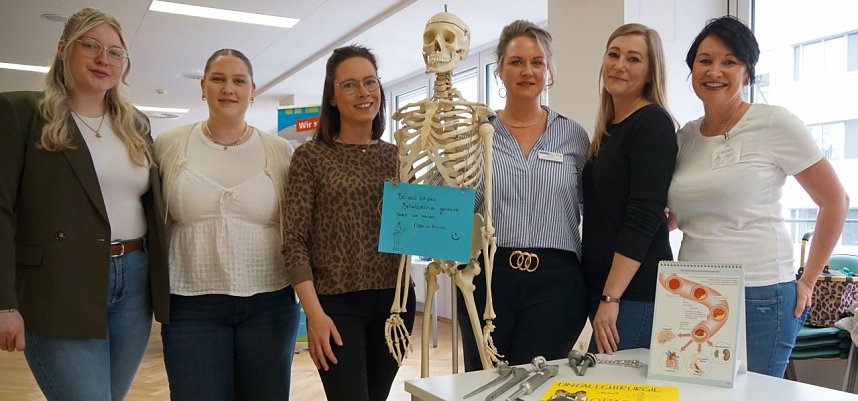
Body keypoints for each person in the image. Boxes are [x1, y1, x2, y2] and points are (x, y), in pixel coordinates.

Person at [0, 7, 169, 401]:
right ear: (63, 50)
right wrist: (4, 303)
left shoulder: (136, 124)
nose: (102, 59)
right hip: (59, 283)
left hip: (134, 282)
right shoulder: (22, 112)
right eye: (89, 46)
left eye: (114, 52)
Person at [668, 16, 849, 377]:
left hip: (760, 291)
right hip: (692, 292)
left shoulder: (773, 123)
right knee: (694, 393)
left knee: (758, 395)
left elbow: (835, 201)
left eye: (729, 61)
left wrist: (809, 280)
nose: (714, 71)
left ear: (747, 73)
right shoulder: (684, 137)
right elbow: (679, 214)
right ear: (691, 72)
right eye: (704, 61)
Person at [154, 49, 299, 401]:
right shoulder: (169, 144)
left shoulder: (280, 151)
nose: (228, 89)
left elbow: (297, 227)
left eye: (238, 81)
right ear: (203, 87)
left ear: (253, 89)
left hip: (270, 302)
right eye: (218, 79)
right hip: (190, 304)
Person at [282, 44, 415, 401]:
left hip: (395, 305)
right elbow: (293, 241)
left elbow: (415, 227)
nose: (363, 93)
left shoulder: (398, 158)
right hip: (335, 307)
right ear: (332, 96)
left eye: (370, 82)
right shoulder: (310, 157)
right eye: (350, 85)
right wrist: (313, 314)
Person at [457, 20, 591, 371]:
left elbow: (594, 206)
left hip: (557, 285)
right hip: (489, 280)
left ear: (548, 70)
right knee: (485, 384)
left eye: (537, 62)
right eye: (516, 61)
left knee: (538, 384)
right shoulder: (475, 135)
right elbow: (456, 209)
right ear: (500, 68)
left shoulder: (573, 135)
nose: (527, 71)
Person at [582, 23, 677, 355]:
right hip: (607, 290)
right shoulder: (609, 129)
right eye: (613, 54)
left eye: (633, 59)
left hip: (633, 294)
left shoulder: (652, 123)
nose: (619, 65)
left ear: (651, 73)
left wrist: (611, 296)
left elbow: (643, 216)